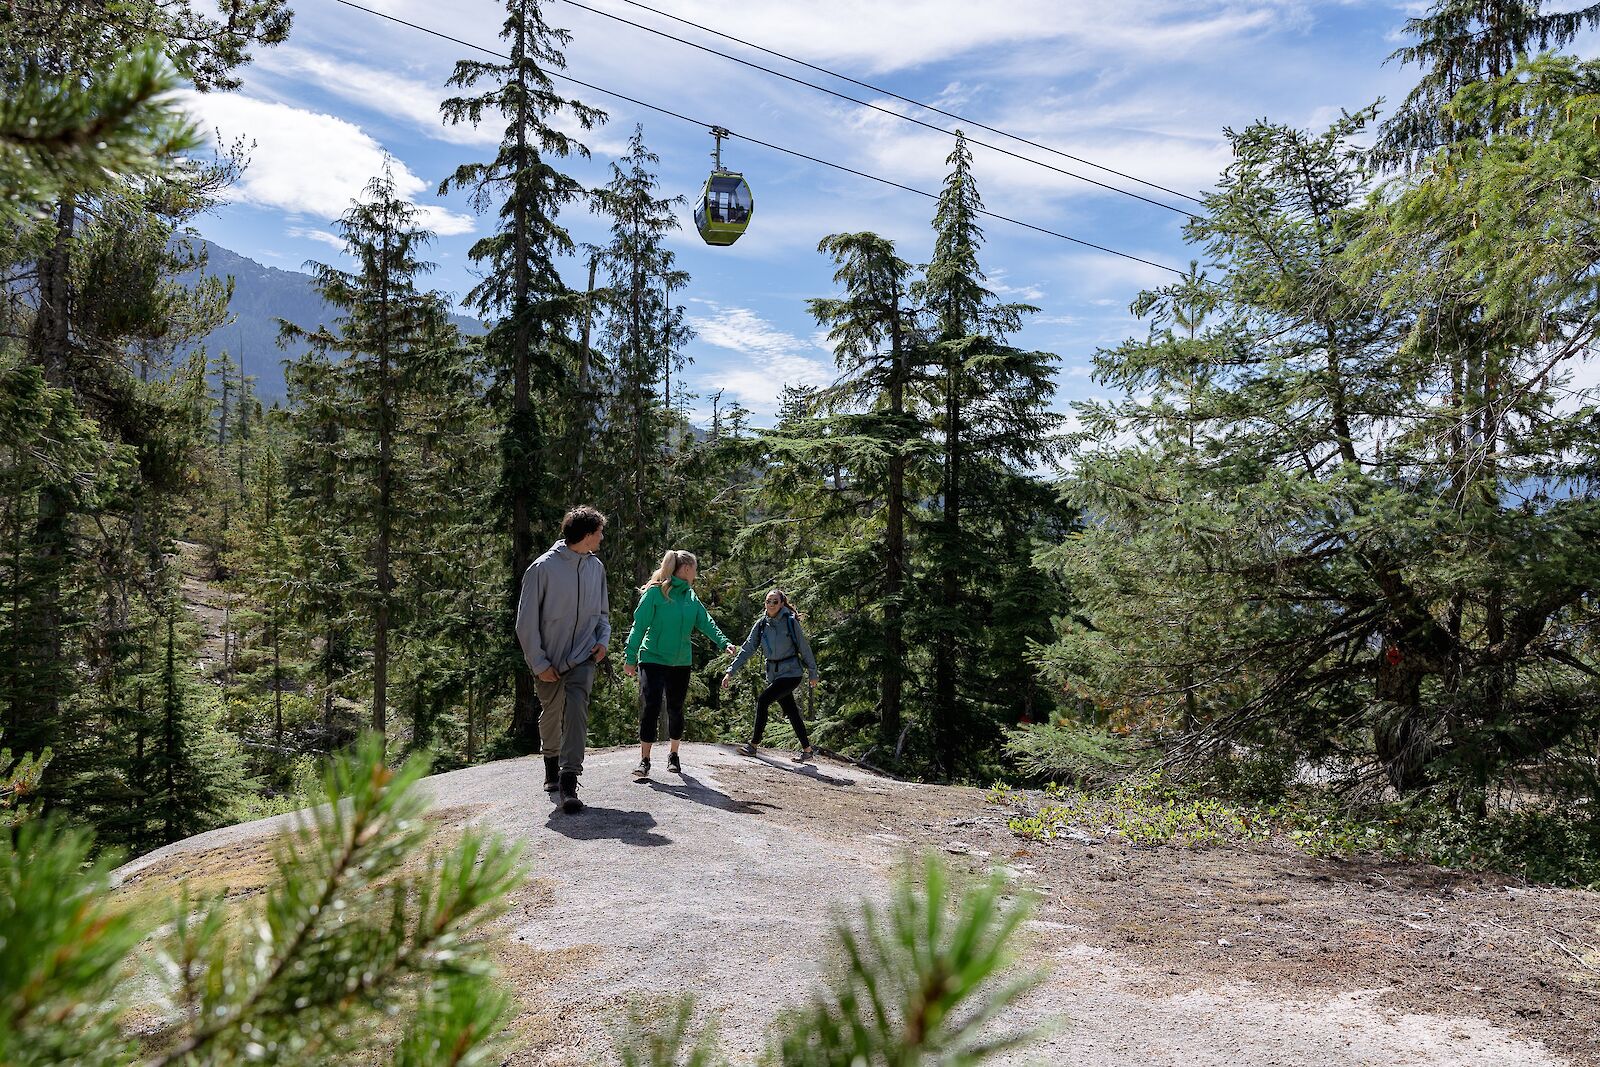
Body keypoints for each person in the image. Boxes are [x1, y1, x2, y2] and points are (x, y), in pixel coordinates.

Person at [515, 506, 611, 815]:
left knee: (577, 709)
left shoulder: (596, 568)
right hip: (549, 660)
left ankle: (569, 780)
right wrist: (540, 663)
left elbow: (603, 615)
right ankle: (551, 764)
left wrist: (602, 641)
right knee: (552, 712)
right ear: (586, 536)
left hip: (583, 656)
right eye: (599, 533)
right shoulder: (542, 568)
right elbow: (525, 623)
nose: (601, 538)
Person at [622, 550, 738, 779]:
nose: (696, 573)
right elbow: (639, 626)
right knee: (651, 706)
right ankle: (644, 760)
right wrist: (630, 657)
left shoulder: (690, 597)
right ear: (686, 569)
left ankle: (673, 755)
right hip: (652, 658)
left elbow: (706, 623)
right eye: (695, 569)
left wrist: (724, 642)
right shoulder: (655, 593)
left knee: (675, 708)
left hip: (681, 662)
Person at [723, 588, 820, 762]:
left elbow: (804, 648)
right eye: (768, 601)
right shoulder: (761, 624)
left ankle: (753, 745)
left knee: (763, 699)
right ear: (765, 604)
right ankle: (807, 750)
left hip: (791, 673)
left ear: (782, 603)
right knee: (791, 711)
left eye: (775, 601)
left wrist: (813, 672)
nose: (771, 604)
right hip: (774, 675)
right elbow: (747, 649)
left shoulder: (790, 622)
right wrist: (730, 671)